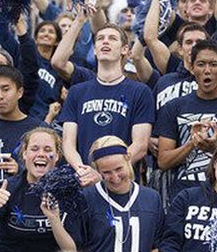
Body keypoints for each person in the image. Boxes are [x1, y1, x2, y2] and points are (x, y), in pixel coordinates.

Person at [0, 127, 82, 252]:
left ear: (57, 156)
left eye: (47, 150)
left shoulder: (67, 191)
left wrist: (54, 220)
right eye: (34, 149)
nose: (41, 154)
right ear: (25, 154)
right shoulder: (8, 187)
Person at [155, 39, 217, 200]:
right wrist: (192, 143)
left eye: (214, 64)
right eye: (201, 64)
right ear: (192, 68)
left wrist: (215, 148)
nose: (207, 70)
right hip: (184, 196)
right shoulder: (173, 107)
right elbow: (163, 161)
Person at [58, 23, 154, 187]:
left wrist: (106, 172)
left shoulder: (140, 91)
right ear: (95, 50)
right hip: (84, 182)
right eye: (100, 39)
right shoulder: (77, 92)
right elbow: (68, 144)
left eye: (112, 38)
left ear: (125, 50)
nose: (105, 42)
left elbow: (140, 145)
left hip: (122, 183)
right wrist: (83, 171)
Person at [81, 136, 164, 252]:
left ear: (128, 159)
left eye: (119, 169)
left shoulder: (152, 198)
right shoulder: (87, 198)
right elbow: (78, 249)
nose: (115, 177)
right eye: (106, 172)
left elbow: (155, 245)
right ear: (97, 170)